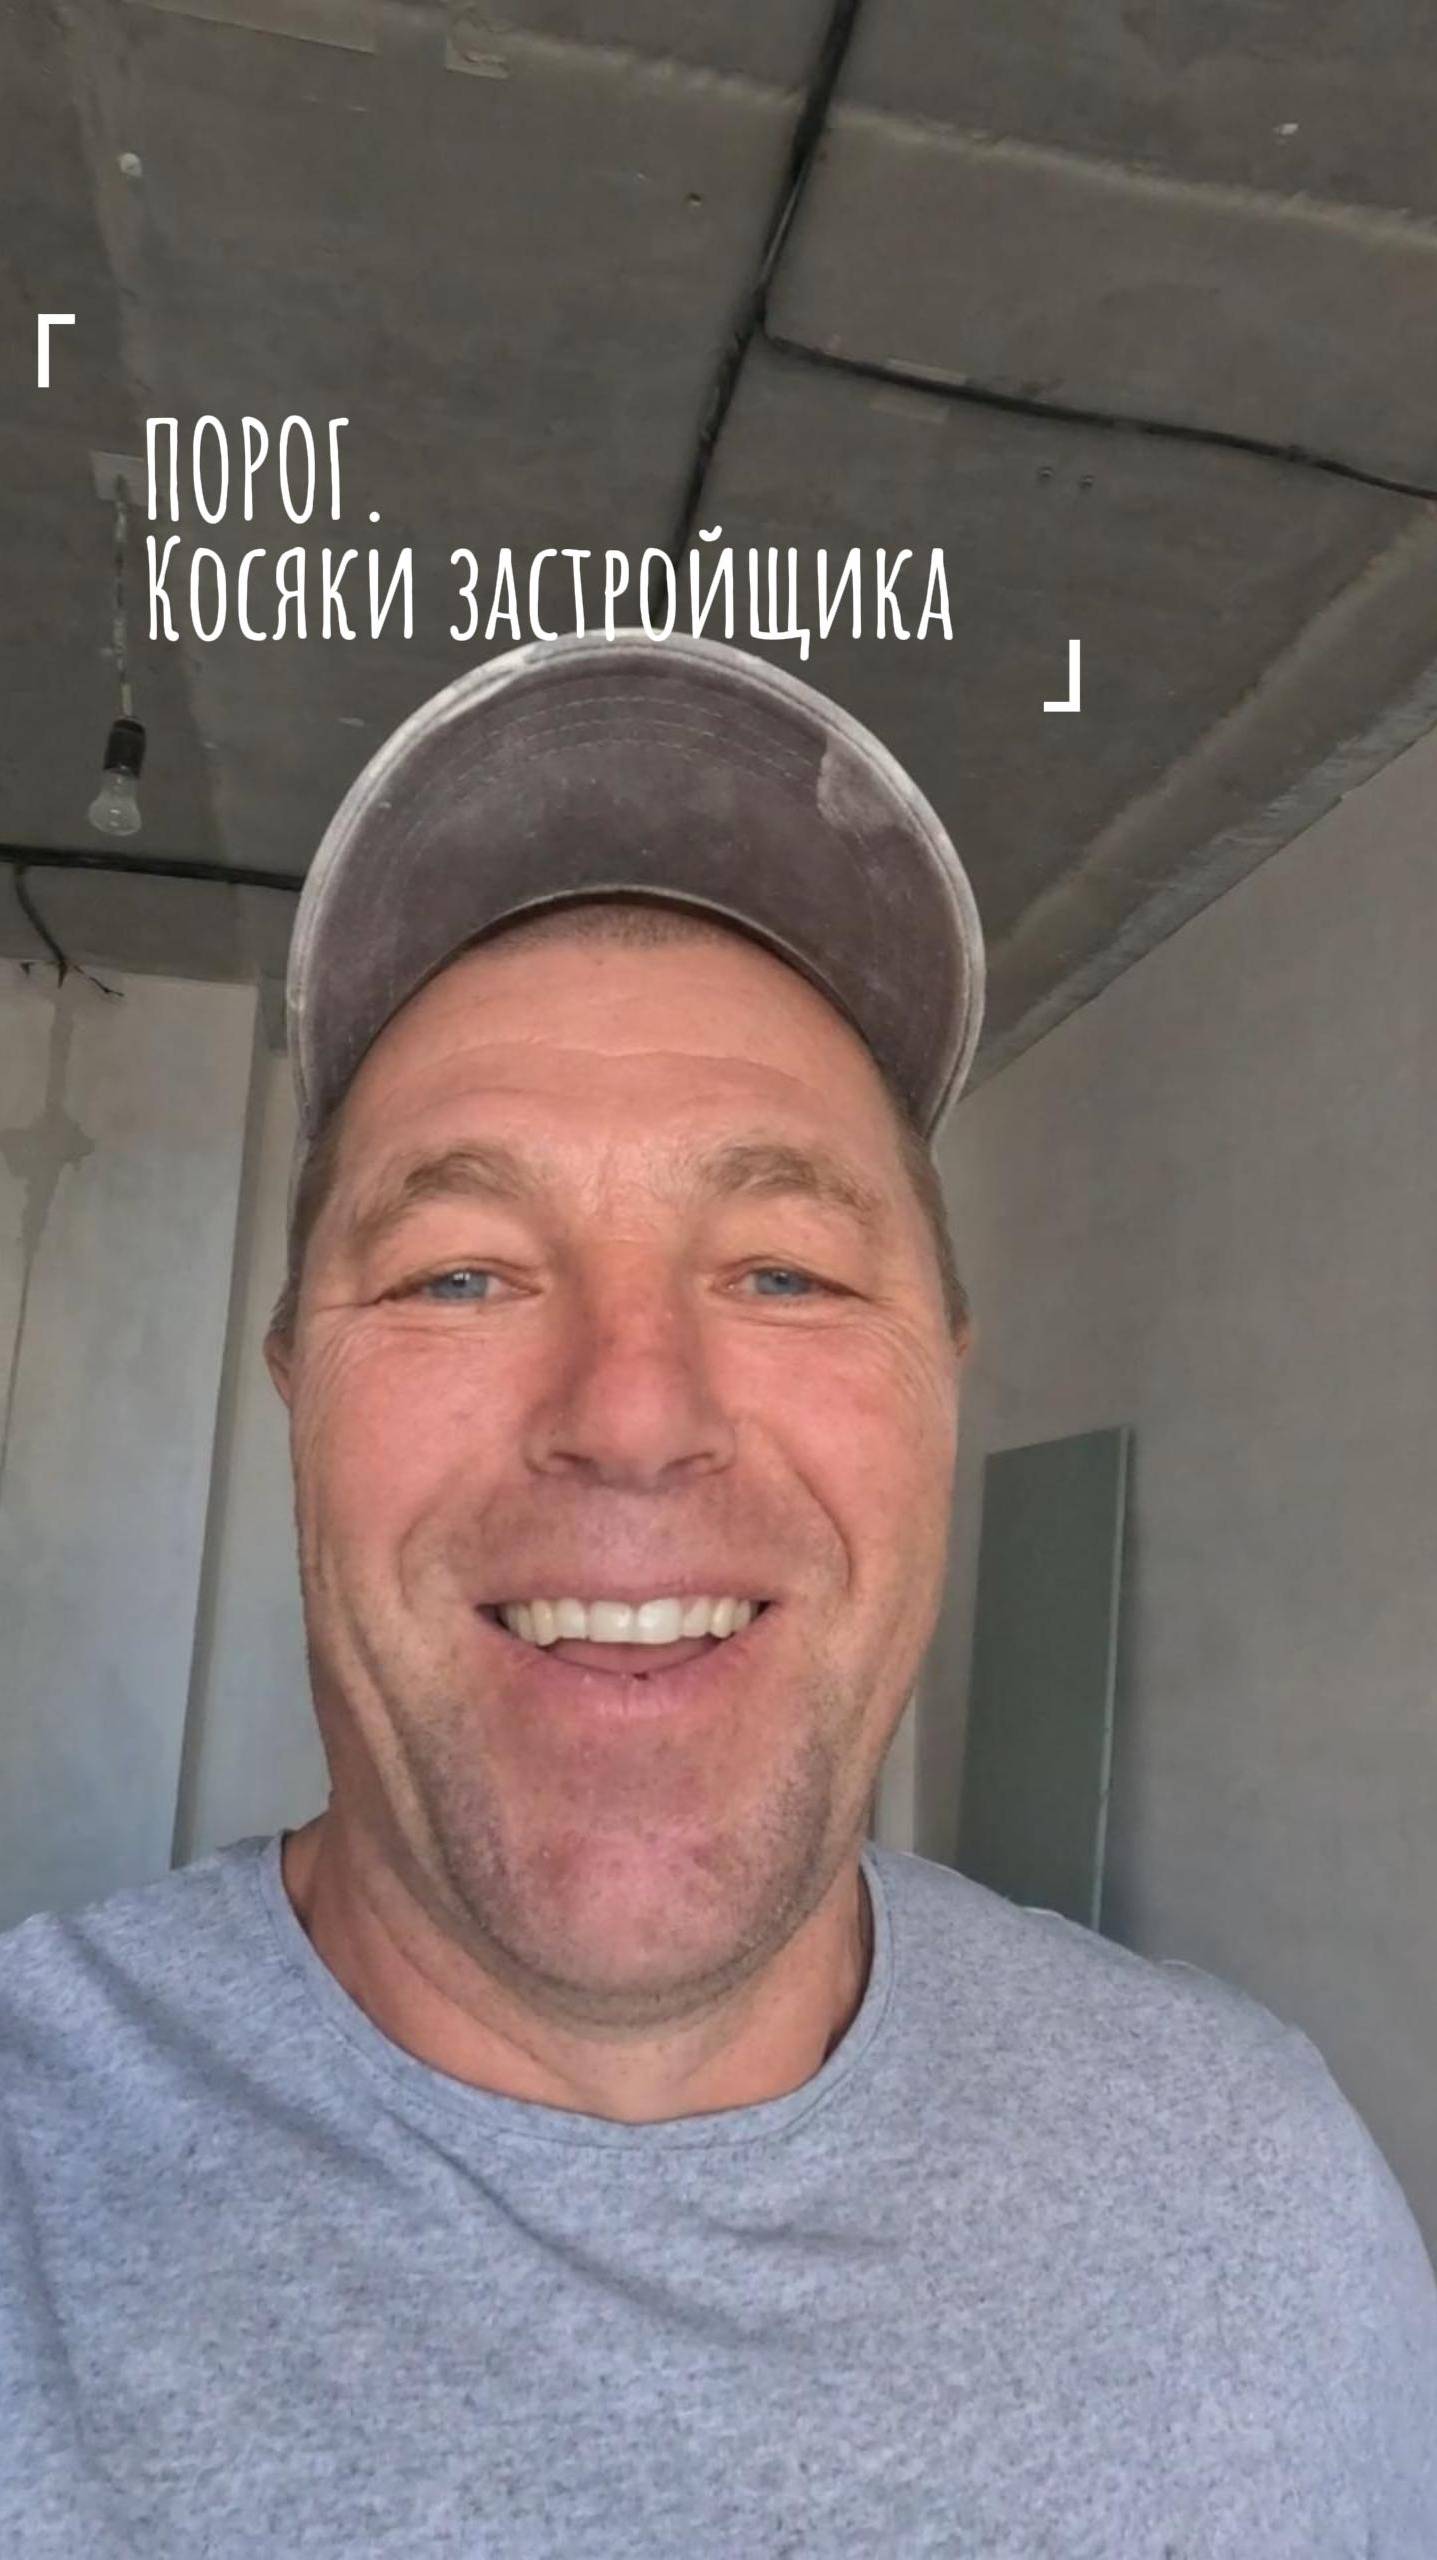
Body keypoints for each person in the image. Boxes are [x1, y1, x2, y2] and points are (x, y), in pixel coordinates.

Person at [1, 634, 1433, 2556]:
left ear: (940, 1391)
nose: (631, 1415)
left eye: (782, 1273)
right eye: (457, 1272)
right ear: (296, 1396)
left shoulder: (1264, 2199)